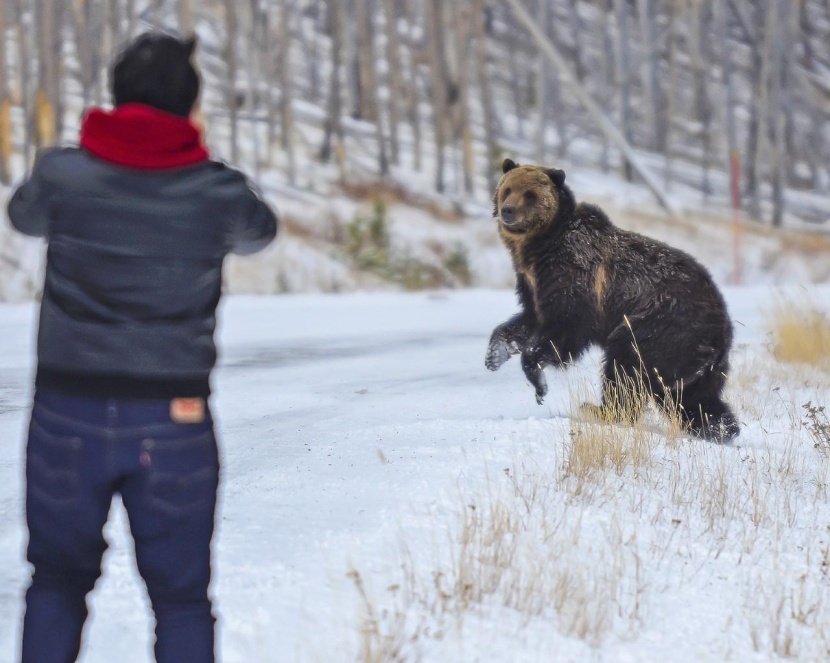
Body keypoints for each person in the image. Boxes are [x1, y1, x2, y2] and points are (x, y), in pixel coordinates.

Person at [8, 31, 277, 662]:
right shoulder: (218, 190)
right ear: (189, 106)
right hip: (174, 415)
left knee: (55, 582)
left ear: (115, 95)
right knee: (181, 601)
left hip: (65, 411)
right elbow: (258, 234)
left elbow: (23, 217)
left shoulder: (62, 174)